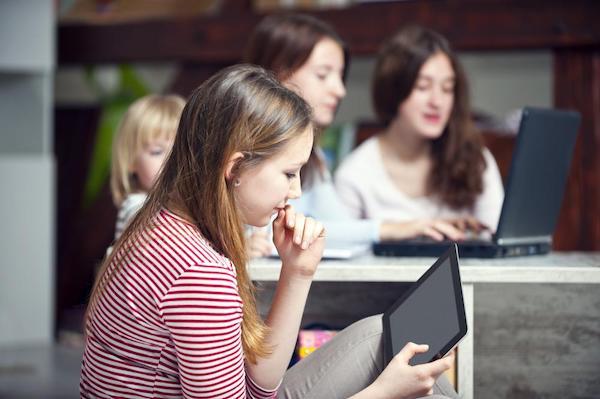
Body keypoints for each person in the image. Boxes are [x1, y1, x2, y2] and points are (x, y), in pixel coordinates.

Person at [80, 64, 457, 399]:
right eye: (289, 174)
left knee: (381, 335)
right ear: (236, 168)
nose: (295, 192)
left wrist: (297, 271)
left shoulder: (165, 224)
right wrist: (382, 395)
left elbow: (260, 385)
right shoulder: (200, 274)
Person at [244, 13, 418, 250]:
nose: (339, 90)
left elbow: (331, 224)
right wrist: (388, 229)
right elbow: (263, 239)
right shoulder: (242, 144)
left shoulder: (312, 154)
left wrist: (400, 228)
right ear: (277, 74)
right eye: (323, 75)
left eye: (340, 76)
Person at [335, 25, 504, 241]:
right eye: (423, 87)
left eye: (447, 89)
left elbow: (498, 238)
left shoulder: (474, 159)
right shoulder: (355, 175)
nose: (437, 102)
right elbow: (340, 251)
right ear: (393, 91)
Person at [109, 93, 185, 240]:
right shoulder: (134, 205)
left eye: (180, 150)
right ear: (130, 160)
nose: (172, 159)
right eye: (157, 151)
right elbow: (158, 228)